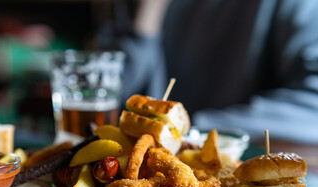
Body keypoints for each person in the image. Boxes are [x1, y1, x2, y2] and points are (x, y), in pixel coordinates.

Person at [98, 0, 318, 143]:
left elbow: (312, 104)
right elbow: (110, 98)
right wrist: (145, 20)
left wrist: (191, 129)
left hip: (238, 178)